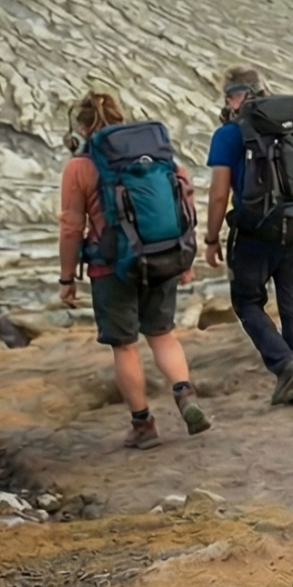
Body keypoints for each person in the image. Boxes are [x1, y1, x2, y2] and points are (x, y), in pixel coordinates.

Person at [59, 91, 211, 449]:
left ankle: (143, 425)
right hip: (164, 257)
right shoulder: (161, 160)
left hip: (111, 268)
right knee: (162, 334)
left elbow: (70, 228)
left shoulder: (80, 167)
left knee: (125, 347)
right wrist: (184, 263)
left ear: (82, 128)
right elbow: (185, 208)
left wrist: (67, 279)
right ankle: (185, 394)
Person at [202, 66, 293, 406]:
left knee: (247, 302)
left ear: (235, 96)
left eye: (228, 96)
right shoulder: (290, 125)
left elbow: (220, 194)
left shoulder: (228, 134)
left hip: (255, 230)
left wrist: (210, 239)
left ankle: (285, 365)